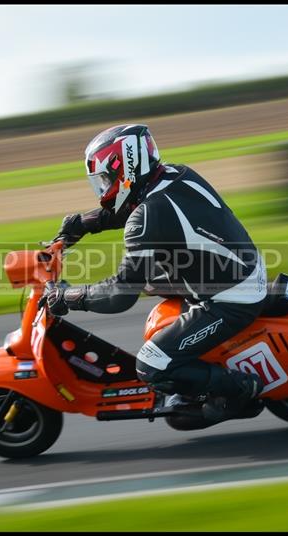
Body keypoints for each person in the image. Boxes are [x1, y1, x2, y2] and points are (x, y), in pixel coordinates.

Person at [45, 124, 267, 421]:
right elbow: (133, 207)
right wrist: (84, 223)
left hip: (231, 296)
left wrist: (67, 297)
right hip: (239, 271)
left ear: (126, 170)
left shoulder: (147, 214)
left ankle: (240, 390)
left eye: (106, 179)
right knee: (151, 282)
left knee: (152, 364)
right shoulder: (176, 175)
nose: (102, 189)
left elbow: (119, 296)